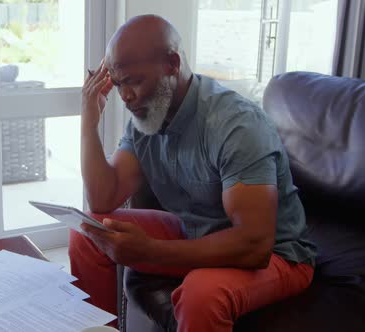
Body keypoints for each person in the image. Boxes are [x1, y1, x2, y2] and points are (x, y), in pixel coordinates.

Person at [70, 14, 316, 332]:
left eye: (133, 81)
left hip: (280, 254)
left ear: (172, 64)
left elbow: (256, 244)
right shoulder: (146, 119)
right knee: (88, 233)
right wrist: (89, 120)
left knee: (202, 294)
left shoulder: (236, 125)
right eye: (117, 84)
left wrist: (152, 251)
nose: (125, 97)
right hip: (196, 230)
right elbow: (103, 198)